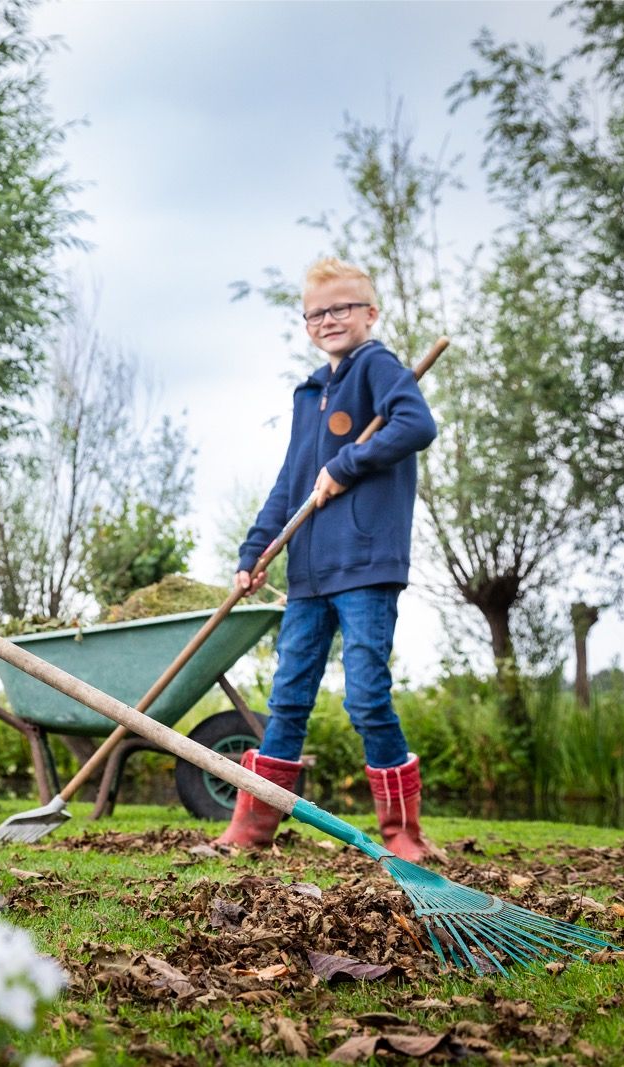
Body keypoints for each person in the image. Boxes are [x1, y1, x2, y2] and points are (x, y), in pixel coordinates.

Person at [215, 257, 438, 862]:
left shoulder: (377, 366)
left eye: (342, 308)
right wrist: (255, 550)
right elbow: (293, 482)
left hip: (366, 566)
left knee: (366, 694)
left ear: (370, 313)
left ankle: (402, 834)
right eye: (317, 312)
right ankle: (254, 826)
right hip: (309, 574)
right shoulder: (311, 391)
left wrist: (347, 465)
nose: (329, 319)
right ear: (306, 323)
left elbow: (417, 424)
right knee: (288, 696)